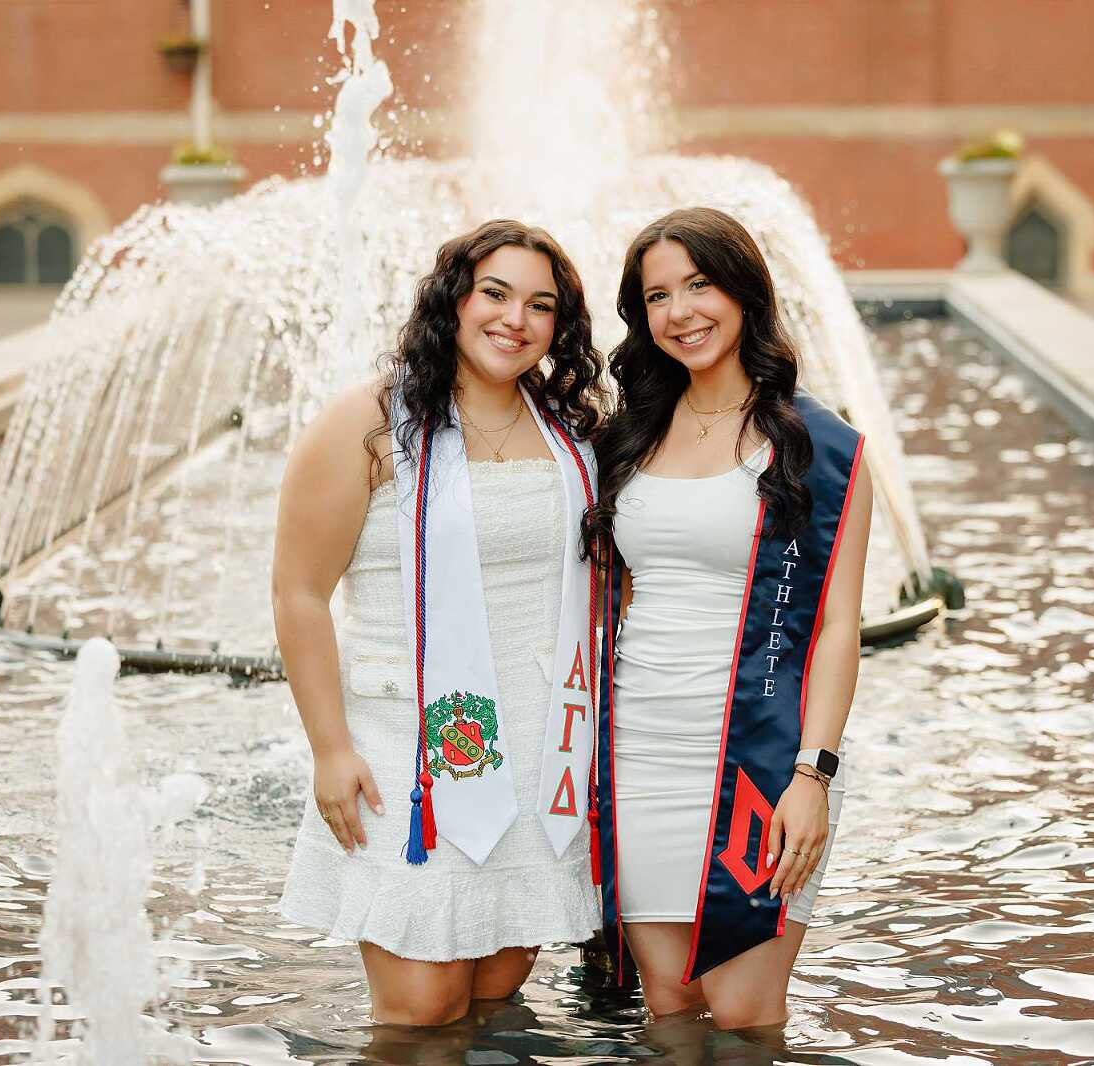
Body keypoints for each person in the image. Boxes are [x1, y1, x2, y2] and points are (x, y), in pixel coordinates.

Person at [273, 219, 606, 1026]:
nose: (514, 320)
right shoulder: (371, 423)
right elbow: (299, 592)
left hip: (542, 745)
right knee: (423, 1011)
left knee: (493, 996)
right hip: (406, 747)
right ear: (452, 300)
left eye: (540, 305)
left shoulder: (573, 432)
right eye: (494, 293)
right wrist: (330, 749)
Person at [584, 207, 873, 1029]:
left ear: (744, 291)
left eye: (700, 285)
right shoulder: (627, 438)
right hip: (639, 750)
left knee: (744, 1013)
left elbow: (835, 629)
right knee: (669, 1006)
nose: (681, 312)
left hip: (760, 757)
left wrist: (813, 777)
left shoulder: (821, 447)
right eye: (658, 296)